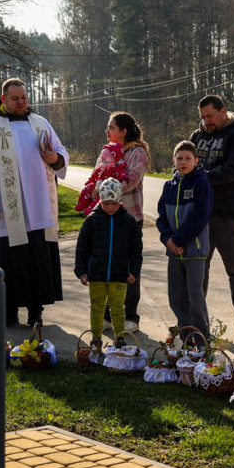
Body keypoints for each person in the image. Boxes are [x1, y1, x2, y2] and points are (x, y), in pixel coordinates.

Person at [0, 78, 69, 327]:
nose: (21, 102)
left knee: (37, 258)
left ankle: (36, 311)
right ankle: (8, 311)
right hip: (7, 208)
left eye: (24, 97)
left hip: (39, 206)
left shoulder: (40, 123)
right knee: (8, 260)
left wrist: (54, 157)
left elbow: (60, 151)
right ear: (4, 100)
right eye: (15, 99)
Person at [190, 95, 234, 342]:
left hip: (228, 215)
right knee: (198, 271)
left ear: (223, 111)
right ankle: (197, 324)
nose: (206, 122)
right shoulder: (197, 136)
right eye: (203, 117)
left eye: (210, 116)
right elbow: (185, 162)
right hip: (199, 216)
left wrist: (201, 177)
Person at [74, 178, 143, 351]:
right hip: (96, 275)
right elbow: (82, 247)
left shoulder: (129, 221)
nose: (110, 207)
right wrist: (81, 270)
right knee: (97, 308)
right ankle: (96, 339)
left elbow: (136, 249)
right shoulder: (92, 221)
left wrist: (134, 271)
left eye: (113, 203)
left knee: (118, 309)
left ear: (120, 200)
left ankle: (119, 338)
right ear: (100, 201)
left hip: (119, 276)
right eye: (106, 204)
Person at [156, 141, 213, 342]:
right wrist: (168, 240)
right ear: (174, 161)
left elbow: (201, 216)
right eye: (179, 158)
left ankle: (202, 339)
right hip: (174, 251)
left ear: (196, 161)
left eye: (188, 158)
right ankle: (185, 336)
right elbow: (161, 217)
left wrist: (179, 239)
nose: (183, 161)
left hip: (194, 251)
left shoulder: (200, 183)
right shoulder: (169, 186)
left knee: (195, 297)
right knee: (176, 297)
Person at [97, 112, 150, 332]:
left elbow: (130, 181)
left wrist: (105, 187)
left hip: (129, 218)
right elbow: (96, 176)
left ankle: (131, 317)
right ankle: (108, 316)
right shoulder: (107, 152)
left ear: (123, 131)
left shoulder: (137, 153)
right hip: (107, 216)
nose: (107, 132)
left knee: (130, 268)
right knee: (108, 266)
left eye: (111, 128)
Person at [74, 141, 129, 214]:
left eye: (104, 158)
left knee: (100, 199)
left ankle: (90, 210)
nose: (102, 159)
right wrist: (91, 182)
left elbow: (123, 174)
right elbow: (95, 175)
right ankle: (81, 204)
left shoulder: (118, 167)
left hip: (107, 187)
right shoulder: (102, 166)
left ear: (112, 158)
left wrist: (124, 181)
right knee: (86, 189)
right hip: (97, 183)